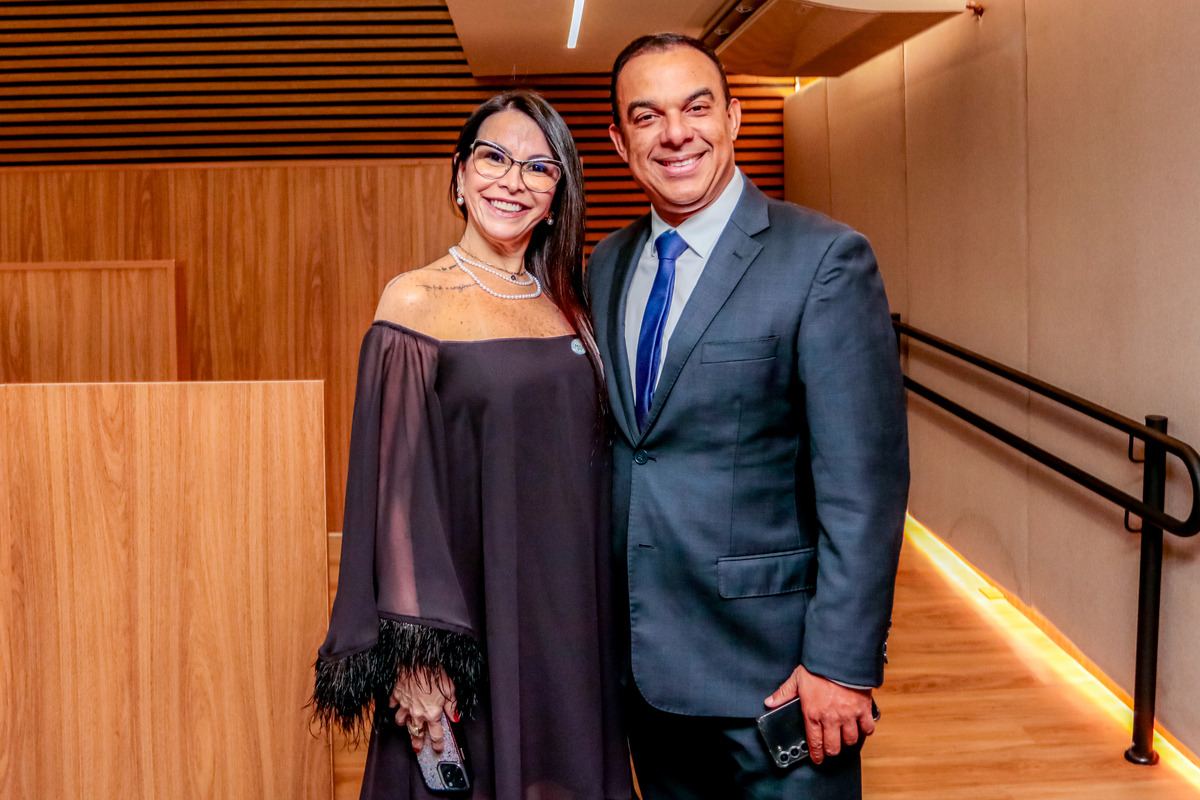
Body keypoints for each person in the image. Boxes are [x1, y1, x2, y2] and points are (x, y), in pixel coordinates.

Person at [586, 34, 910, 799]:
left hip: (779, 680)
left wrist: (841, 664)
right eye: (647, 116)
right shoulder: (605, 266)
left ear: (733, 118)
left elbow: (863, 487)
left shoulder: (824, 259)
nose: (675, 133)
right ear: (620, 141)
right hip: (645, 675)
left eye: (696, 108)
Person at [312, 89, 630, 800]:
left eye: (538, 167)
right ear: (459, 174)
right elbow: (394, 494)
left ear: (558, 195)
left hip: (573, 613)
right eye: (494, 158)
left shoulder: (572, 303)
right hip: (471, 612)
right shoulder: (415, 300)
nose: (513, 181)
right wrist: (417, 659)